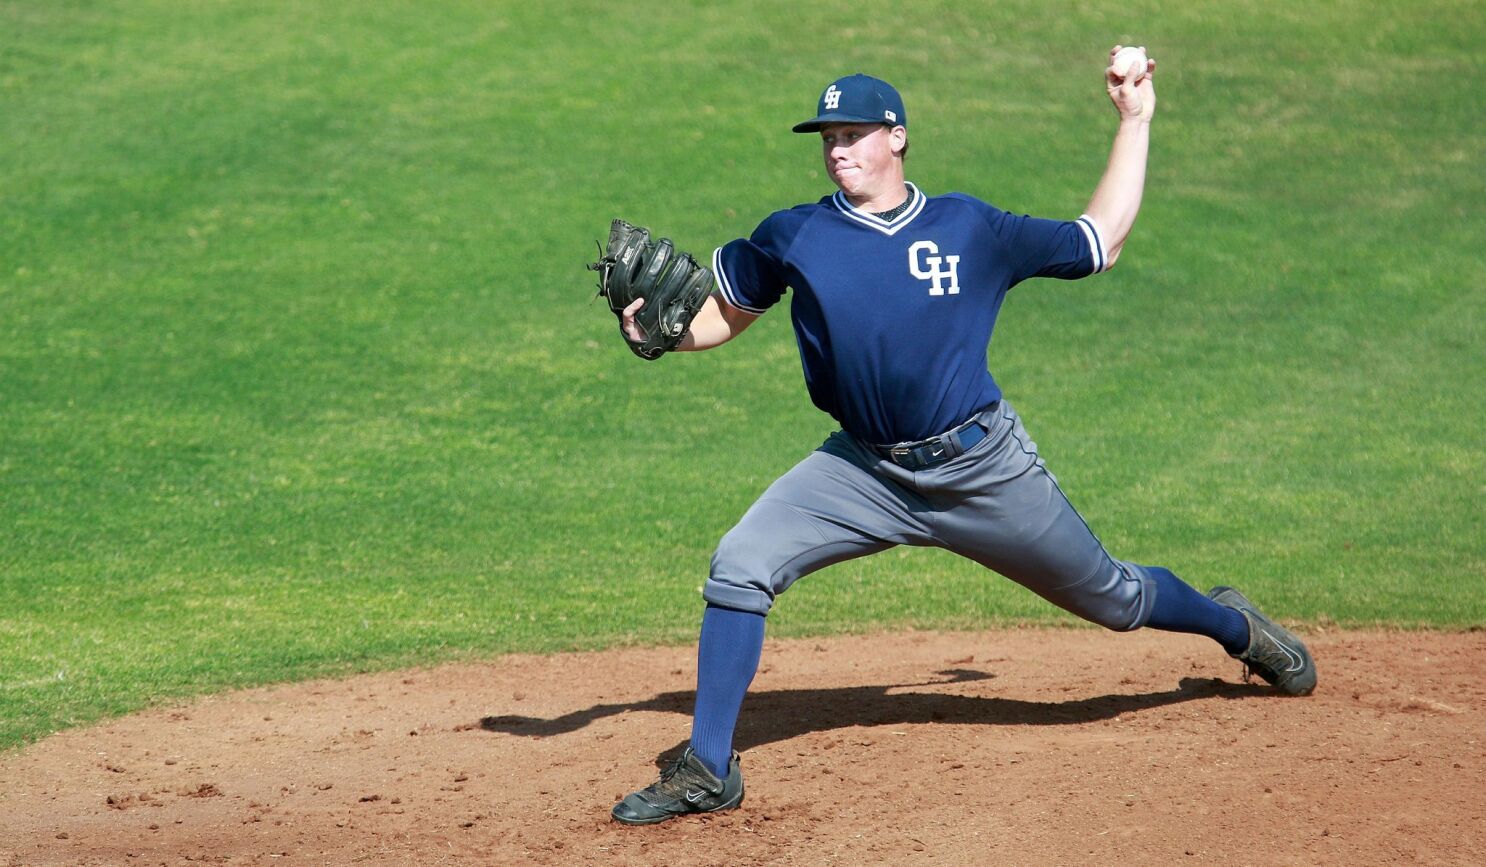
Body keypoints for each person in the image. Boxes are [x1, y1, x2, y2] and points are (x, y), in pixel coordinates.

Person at [609, 47, 1316, 826]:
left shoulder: (969, 226)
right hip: (862, 472)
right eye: (827, 136)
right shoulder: (793, 234)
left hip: (982, 467)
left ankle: (1236, 625)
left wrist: (1136, 119)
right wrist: (660, 335)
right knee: (741, 563)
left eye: (854, 132)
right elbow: (721, 316)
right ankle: (708, 766)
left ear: (898, 136)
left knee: (1115, 598)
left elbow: (1099, 240)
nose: (838, 148)